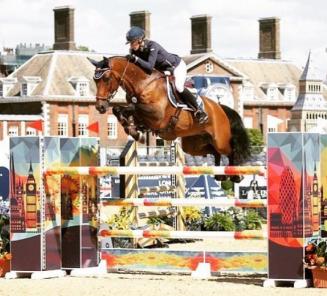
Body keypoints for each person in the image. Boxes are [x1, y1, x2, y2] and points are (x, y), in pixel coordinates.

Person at [125, 26, 208, 124]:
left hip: (177, 66)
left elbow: (149, 67)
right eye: (130, 43)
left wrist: (136, 59)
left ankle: (198, 110)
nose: (131, 46)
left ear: (139, 40)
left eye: (132, 42)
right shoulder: (135, 51)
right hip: (163, 70)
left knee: (179, 87)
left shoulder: (152, 46)